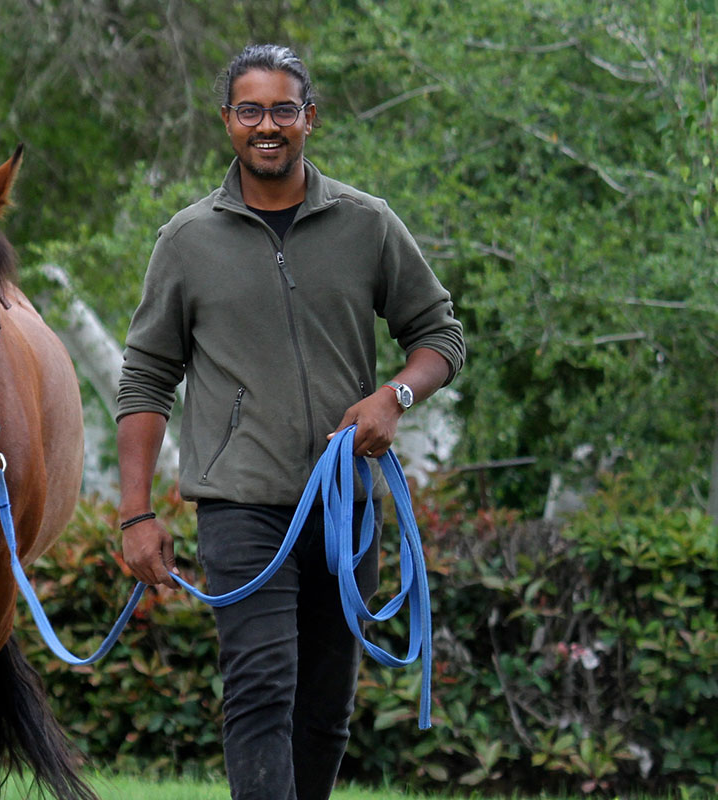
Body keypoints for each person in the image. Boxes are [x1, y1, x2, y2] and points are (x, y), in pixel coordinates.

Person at [113, 44, 465, 800]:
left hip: (346, 504)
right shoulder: (186, 240)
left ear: (309, 119)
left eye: (281, 110)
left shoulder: (367, 224)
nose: (265, 126)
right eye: (250, 110)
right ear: (226, 122)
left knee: (326, 707)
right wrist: (135, 512)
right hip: (241, 506)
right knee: (262, 688)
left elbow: (440, 337)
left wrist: (392, 398)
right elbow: (145, 378)